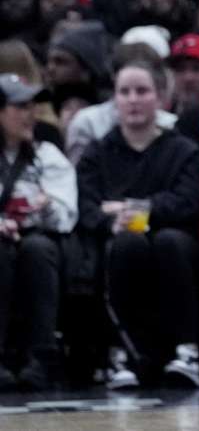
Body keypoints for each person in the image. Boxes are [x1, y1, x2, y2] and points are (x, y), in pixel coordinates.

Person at [75, 60, 199, 387]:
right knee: (127, 243)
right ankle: (121, 354)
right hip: (117, 241)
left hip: (175, 242)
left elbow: (189, 201)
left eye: (142, 91)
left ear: (161, 97)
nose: (133, 99)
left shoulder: (183, 150)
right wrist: (113, 220)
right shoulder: (97, 152)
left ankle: (187, 351)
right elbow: (86, 206)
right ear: (115, 99)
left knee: (168, 241)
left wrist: (136, 210)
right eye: (125, 92)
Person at [0, 74, 77, 391]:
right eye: (20, 106)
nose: (30, 114)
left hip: (39, 241)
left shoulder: (47, 155)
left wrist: (46, 207)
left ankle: (41, 358)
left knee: (37, 249)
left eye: (32, 106)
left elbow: (66, 216)